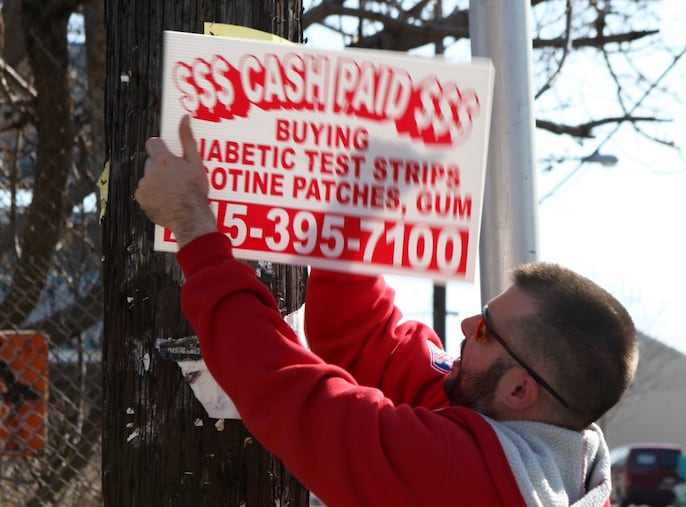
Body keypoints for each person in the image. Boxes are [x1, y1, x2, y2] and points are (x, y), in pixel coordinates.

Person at [136, 115, 639, 507]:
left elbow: (287, 390)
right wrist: (356, 212)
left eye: (485, 331)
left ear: (520, 390)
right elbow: (367, 340)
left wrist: (194, 227)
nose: (465, 325)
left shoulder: (460, 477)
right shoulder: (544, 447)